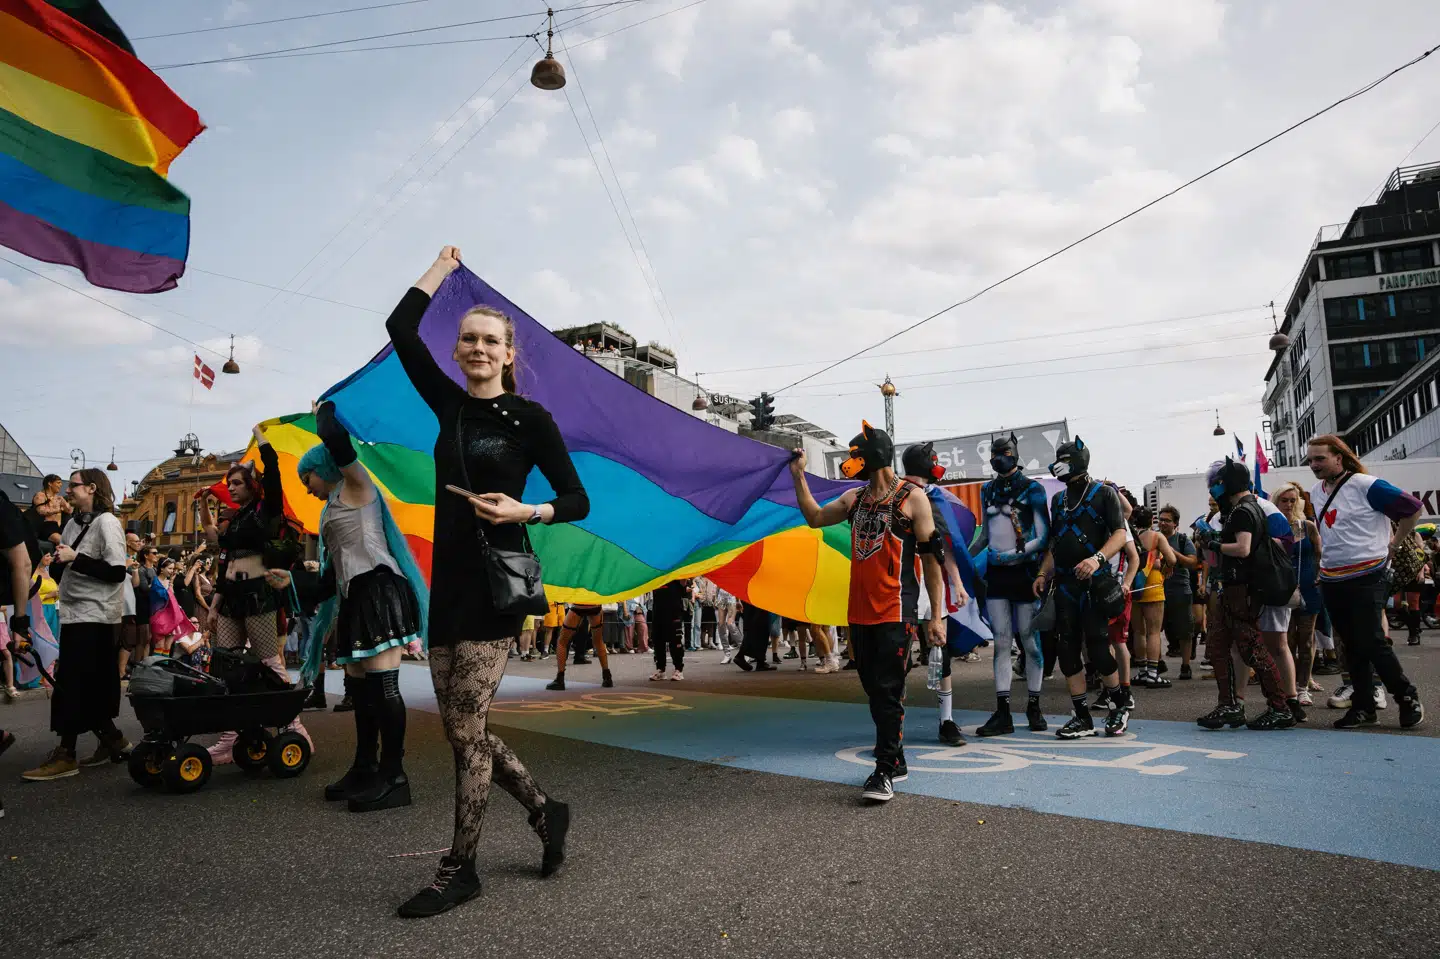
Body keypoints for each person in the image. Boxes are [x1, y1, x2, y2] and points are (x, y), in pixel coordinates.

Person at [387, 246, 588, 916]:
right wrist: (439, 270)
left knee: (466, 730)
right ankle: (543, 810)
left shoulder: (531, 420)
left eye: (489, 340)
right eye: (468, 338)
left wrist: (523, 508)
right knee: (461, 730)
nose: (476, 347)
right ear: (459, 351)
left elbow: (575, 498)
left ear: (509, 353)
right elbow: (399, 327)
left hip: (498, 586)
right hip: (447, 585)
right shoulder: (448, 406)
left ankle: (460, 867)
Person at [791, 422, 947, 803]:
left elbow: (931, 562)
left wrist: (936, 616)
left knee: (888, 690)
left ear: (873, 456)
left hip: (896, 611)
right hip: (858, 613)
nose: (850, 462)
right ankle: (898, 758)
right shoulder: (853, 499)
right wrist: (798, 476)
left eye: (855, 455)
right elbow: (814, 517)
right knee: (874, 691)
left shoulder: (914, 499)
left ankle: (883, 771)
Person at [295, 400, 429, 813]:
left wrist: (326, 409)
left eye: (308, 476)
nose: (305, 485)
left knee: (383, 685)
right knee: (359, 687)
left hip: (380, 589)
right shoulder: (333, 506)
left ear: (326, 467)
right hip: (356, 595)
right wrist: (290, 582)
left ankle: (395, 777)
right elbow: (332, 576)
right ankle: (365, 766)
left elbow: (337, 440)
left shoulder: (357, 486)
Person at [196, 426, 311, 764]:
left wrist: (262, 440)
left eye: (237, 483)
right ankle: (232, 737)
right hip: (232, 598)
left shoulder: (265, 511)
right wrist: (215, 606)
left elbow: (273, 472)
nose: (231, 488)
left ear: (251, 486)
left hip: (259, 595)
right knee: (228, 664)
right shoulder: (237, 519)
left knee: (268, 661)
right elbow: (218, 548)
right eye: (229, 484)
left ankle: (293, 725)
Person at [1305, 435, 1425, 730]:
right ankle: (1363, 706)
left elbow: (1412, 509)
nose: (1313, 465)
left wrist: (1393, 545)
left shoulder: (1365, 484)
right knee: (1351, 644)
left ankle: (1407, 697)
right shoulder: (1315, 492)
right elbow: (1330, 531)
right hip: (1333, 576)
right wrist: (1323, 566)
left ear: (1339, 457)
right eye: (1310, 460)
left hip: (1368, 572)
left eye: (1320, 458)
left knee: (1371, 639)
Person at [21, 470, 133, 780]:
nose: (68, 490)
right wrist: (58, 563)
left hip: (96, 615)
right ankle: (113, 740)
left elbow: (115, 572)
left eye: (74, 485)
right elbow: (68, 564)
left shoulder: (108, 523)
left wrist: (75, 558)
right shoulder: (73, 523)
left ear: (92, 488)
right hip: (74, 611)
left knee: (72, 682)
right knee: (90, 683)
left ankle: (66, 754)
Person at [1031, 438, 1132, 738]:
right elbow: (1054, 543)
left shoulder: (1105, 495)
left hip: (1093, 586)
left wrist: (1097, 558)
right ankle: (1082, 717)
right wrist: (1042, 573)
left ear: (1077, 460)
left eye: (1062, 459)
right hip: (1063, 586)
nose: (1056, 464)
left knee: (1099, 648)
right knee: (1067, 651)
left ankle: (1118, 707)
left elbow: (1118, 534)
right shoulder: (1057, 501)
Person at [1191, 459, 1295, 731]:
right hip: (1233, 589)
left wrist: (1213, 542)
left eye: (1217, 483)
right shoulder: (1246, 508)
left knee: (1253, 649)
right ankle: (1230, 706)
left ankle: (1279, 707)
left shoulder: (1244, 510)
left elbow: (1243, 548)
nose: (1214, 488)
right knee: (1217, 647)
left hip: (1242, 590)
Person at [969, 434, 1048, 736]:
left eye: (1003, 452)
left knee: (1029, 642)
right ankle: (1003, 712)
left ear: (1014, 454)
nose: (997, 457)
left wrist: (1014, 554)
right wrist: (965, 556)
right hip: (997, 576)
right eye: (994, 452)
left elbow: (1042, 535)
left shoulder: (1033, 489)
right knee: (1001, 642)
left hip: (1025, 574)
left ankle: (1034, 706)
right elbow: (985, 535)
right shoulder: (987, 490)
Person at [901, 442, 971, 745]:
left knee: (940, 658)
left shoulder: (933, 499)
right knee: (899, 660)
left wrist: (957, 583)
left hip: (930, 592)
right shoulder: (894, 496)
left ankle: (947, 720)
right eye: (934, 461)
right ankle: (895, 722)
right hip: (900, 592)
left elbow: (944, 549)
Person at [1272, 482, 1323, 707]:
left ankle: (1303, 688)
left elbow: (1321, 553)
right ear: (1276, 502)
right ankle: (1288, 687)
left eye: (1293, 500)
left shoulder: (1308, 526)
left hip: (1308, 587)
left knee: (1306, 639)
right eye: (1284, 500)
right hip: (1283, 589)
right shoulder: (1271, 527)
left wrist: (1321, 575)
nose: (1289, 504)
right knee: (1286, 641)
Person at [1129, 506, 1178, 689]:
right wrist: (1164, 566)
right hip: (1153, 586)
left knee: (1139, 632)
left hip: (1134, 586)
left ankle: (1141, 671)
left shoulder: (1130, 536)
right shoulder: (1157, 537)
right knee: (1154, 632)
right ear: (1152, 521)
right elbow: (1172, 559)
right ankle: (1152, 674)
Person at [546, 602, 612, 689]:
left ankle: (560, 679)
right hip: (594, 604)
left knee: (562, 641)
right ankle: (607, 677)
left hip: (579, 605)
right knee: (598, 640)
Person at [649, 578, 689, 681]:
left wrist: (683, 580)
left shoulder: (676, 569)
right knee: (657, 640)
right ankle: (660, 670)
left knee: (675, 640)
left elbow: (683, 587)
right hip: (658, 609)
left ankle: (678, 670)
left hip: (673, 610)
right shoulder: (656, 570)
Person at [28, 474, 71, 545]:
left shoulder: (59, 498)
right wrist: (58, 510)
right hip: (43, 525)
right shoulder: (40, 495)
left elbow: (69, 511)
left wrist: (70, 500)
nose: (60, 485)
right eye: (58, 483)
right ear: (50, 483)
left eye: (61, 483)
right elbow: (41, 511)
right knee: (63, 541)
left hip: (54, 526)